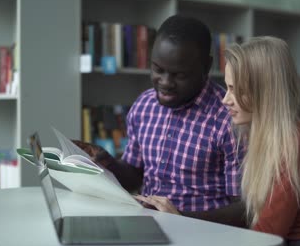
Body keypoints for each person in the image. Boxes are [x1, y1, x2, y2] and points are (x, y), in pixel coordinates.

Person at [75, 15, 245, 226]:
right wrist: (108, 162)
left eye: (179, 75)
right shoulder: (144, 105)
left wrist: (181, 219)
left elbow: (245, 208)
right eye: (158, 69)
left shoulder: (230, 118)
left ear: (206, 67)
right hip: (148, 227)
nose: (165, 83)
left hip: (204, 237)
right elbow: (135, 176)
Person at [221, 36, 300, 246]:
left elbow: (269, 231)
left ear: (265, 91)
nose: (225, 99)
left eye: (235, 89)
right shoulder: (262, 136)